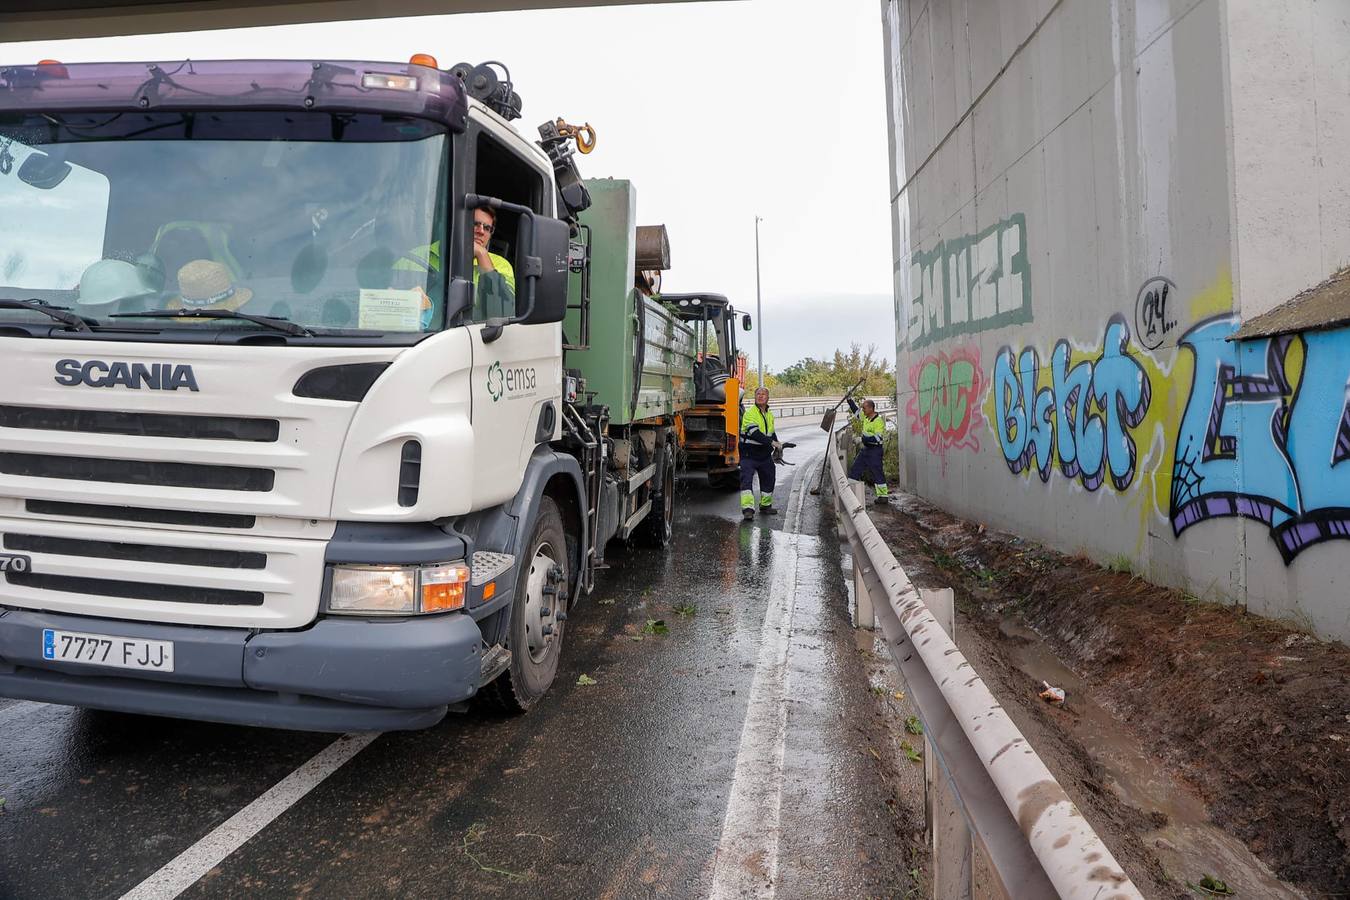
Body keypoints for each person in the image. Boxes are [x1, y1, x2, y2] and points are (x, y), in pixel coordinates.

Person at [739, 386, 781, 520]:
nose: (760, 396)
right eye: (758, 394)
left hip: (764, 455)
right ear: (755, 397)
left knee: (769, 477)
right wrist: (772, 443)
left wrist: (778, 446)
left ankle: (765, 505)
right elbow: (755, 434)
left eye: (763, 394)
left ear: (768, 398)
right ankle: (748, 509)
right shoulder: (750, 413)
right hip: (748, 455)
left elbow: (771, 433)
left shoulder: (769, 414)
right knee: (746, 481)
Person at [471, 205, 515, 320]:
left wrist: (482, 254)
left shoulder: (501, 265)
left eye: (486, 228)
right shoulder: (424, 255)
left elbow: (501, 314)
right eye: (475, 224)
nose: (480, 231)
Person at [847, 397, 890, 503]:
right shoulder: (865, 417)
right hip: (866, 449)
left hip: (875, 450)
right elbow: (856, 413)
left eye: (864, 408)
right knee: (855, 469)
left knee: (877, 472)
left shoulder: (878, 421)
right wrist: (849, 400)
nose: (863, 410)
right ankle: (849, 493)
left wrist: (861, 439)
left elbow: (878, 438)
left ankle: (883, 497)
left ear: (871, 408)